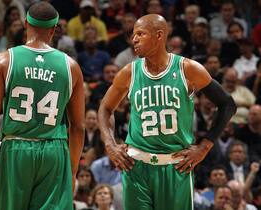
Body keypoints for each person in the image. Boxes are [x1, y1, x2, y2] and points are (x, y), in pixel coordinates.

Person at [98, 14, 236, 210]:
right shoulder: (129, 72)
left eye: (140, 34)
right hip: (136, 166)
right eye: (133, 34)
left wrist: (204, 147)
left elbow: (227, 104)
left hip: (175, 167)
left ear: (159, 35)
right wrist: (110, 144)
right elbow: (105, 108)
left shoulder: (187, 69)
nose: (133, 39)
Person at [0, 2, 84, 210]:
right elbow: (78, 127)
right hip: (54, 151)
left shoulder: (3, 61)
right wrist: (71, 172)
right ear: (54, 30)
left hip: (16, 149)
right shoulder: (71, 67)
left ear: (25, 24)